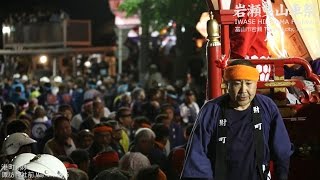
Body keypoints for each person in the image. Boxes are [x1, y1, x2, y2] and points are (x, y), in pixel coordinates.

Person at [181, 60, 293, 180]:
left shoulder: (267, 106)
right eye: (237, 83)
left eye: (249, 83)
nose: (243, 90)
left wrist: (282, 175)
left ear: (256, 84)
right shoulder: (212, 110)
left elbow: (282, 150)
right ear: (227, 85)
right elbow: (198, 155)